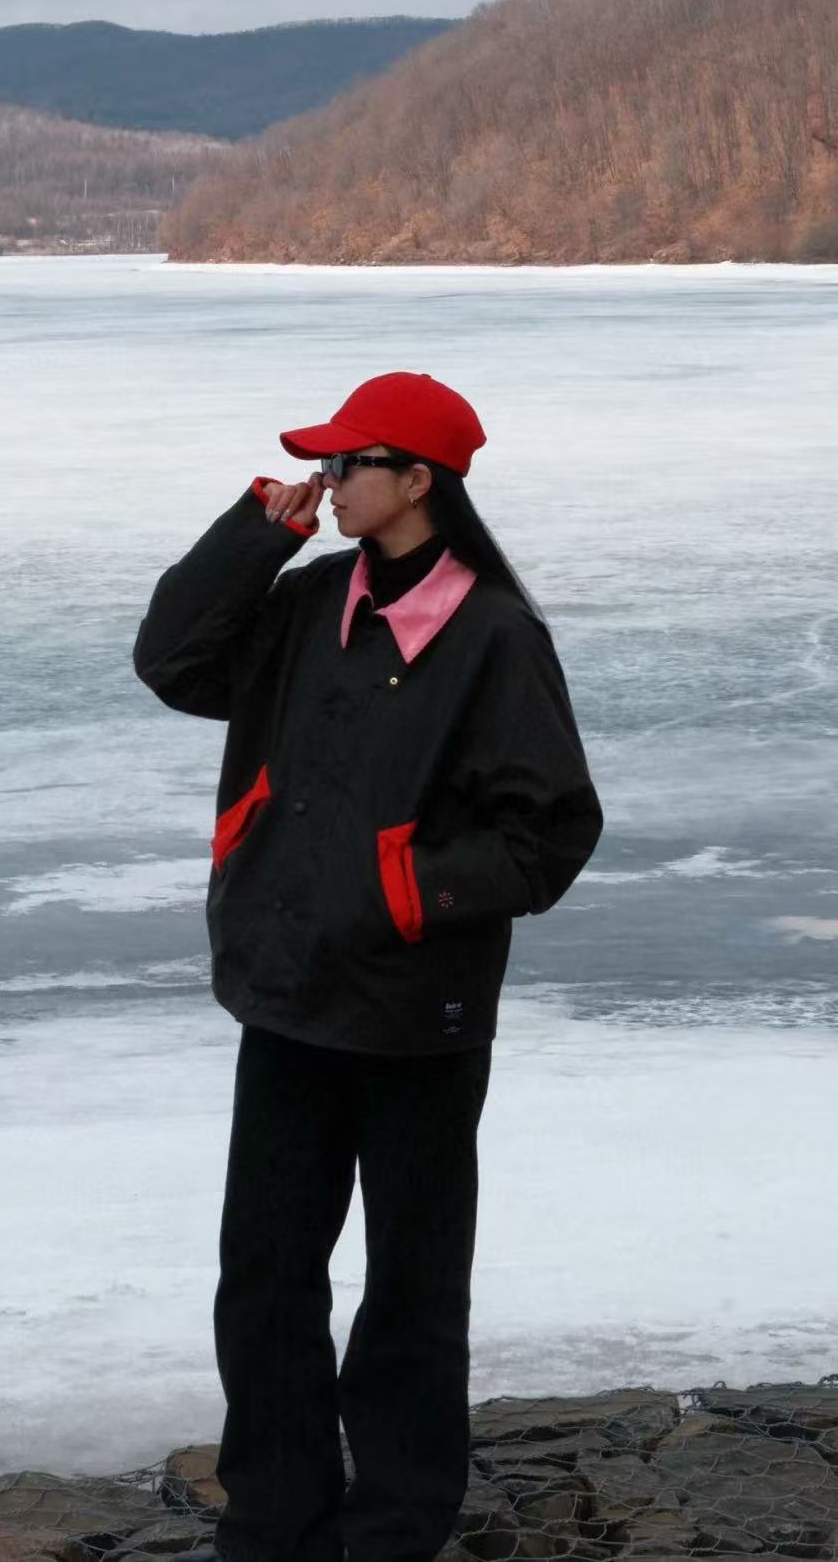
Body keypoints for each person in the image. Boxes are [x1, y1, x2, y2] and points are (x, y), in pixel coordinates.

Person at [132, 370, 603, 1562]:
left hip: (414, 1012)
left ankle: (393, 1529)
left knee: (410, 1289)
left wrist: (402, 891)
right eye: (326, 464)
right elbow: (171, 659)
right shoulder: (305, 603)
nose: (330, 482)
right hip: (286, 991)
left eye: (350, 464)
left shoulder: (494, 635)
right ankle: (273, 1523)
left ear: (418, 479)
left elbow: (548, 832)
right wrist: (257, 531)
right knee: (264, 1278)